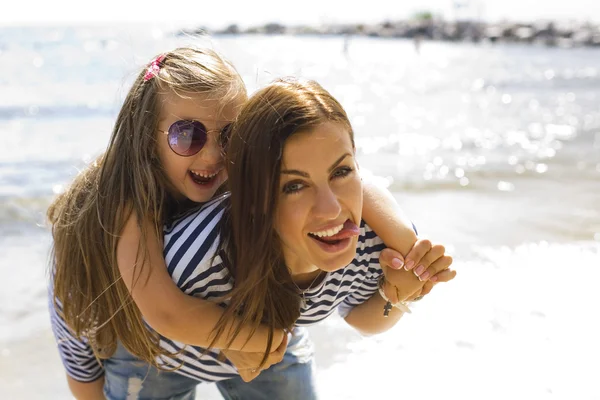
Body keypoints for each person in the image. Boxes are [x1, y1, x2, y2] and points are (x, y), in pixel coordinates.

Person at [47, 48, 454, 399]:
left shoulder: (259, 191)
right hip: (150, 349)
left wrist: (404, 243)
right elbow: (164, 312)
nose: (211, 156)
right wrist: (252, 340)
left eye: (229, 137)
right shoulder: (128, 203)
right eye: (187, 136)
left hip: (266, 327)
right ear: (146, 140)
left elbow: (349, 176)